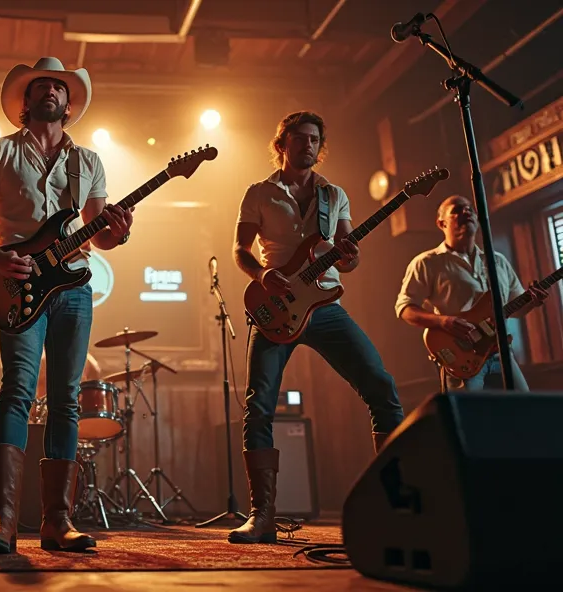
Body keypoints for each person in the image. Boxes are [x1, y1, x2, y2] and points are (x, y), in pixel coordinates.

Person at [0, 57, 133, 554]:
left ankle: (58, 520)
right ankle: (3, 521)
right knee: (16, 390)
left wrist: (117, 232)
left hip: (74, 288)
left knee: (67, 399)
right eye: (40, 87)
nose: (50, 92)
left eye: (58, 87)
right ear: (25, 103)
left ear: (68, 104)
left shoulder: (89, 162)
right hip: (17, 283)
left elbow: (100, 233)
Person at [229, 111, 404, 544]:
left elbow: (350, 256)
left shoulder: (334, 194)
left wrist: (349, 255)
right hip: (276, 305)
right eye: (299, 138)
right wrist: (261, 276)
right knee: (260, 404)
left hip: (325, 304)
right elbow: (240, 250)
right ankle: (262, 515)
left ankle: (394, 503)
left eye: (314, 139)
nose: (307, 145)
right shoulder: (259, 192)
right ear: (282, 144)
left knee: (381, 386)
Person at [395, 194, 548, 390]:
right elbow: (404, 308)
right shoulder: (427, 262)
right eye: (457, 209)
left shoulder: (497, 260)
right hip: (462, 357)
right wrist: (443, 321)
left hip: (501, 352)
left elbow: (516, 308)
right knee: (470, 417)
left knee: (524, 412)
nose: (466, 212)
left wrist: (532, 301)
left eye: (470, 209)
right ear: (441, 223)